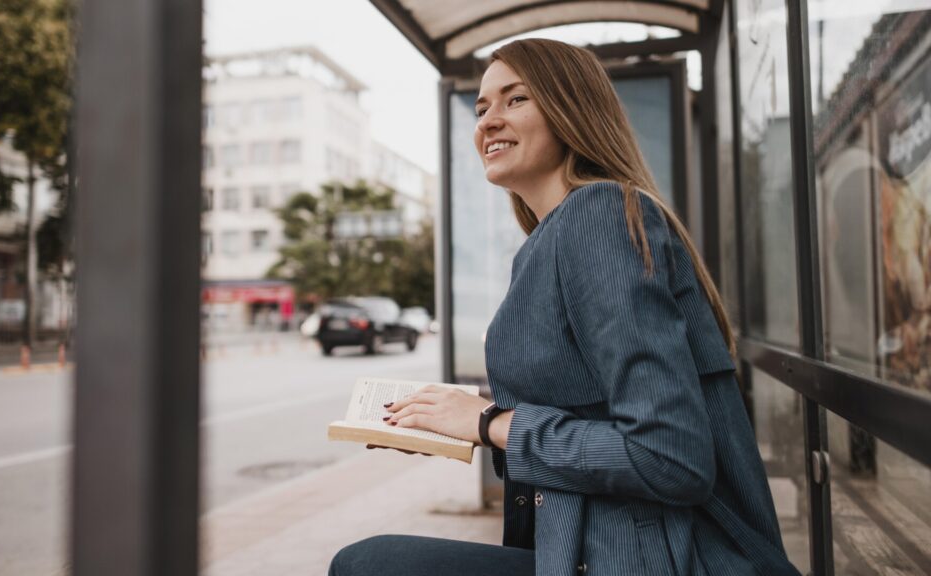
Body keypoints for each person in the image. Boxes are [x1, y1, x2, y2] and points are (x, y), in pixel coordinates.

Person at [329, 38, 800, 576]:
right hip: (592, 548)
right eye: (482, 108)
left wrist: (489, 424)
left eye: (516, 100)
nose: (488, 122)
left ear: (571, 109)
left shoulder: (597, 216)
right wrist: (453, 421)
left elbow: (670, 456)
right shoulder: (557, 236)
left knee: (367, 565)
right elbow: (589, 401)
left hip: (653, 559)